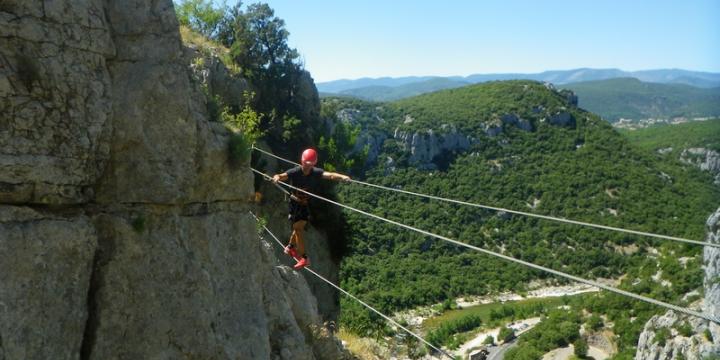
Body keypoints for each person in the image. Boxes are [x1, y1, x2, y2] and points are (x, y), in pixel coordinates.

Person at [272, 148, 351, 269]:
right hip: (294, 203)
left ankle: (304, 258)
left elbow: (329, 175)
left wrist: (342, 177)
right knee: (296, 227)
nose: (308, 167)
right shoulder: (296, 171)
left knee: (298, 229)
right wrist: (277, 177)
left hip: (304, 205)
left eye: (310, 165)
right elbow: (283, 176)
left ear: (313, 164)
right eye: (306, 164)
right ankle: (291, 246)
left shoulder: (315, 172)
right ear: (302, 162)